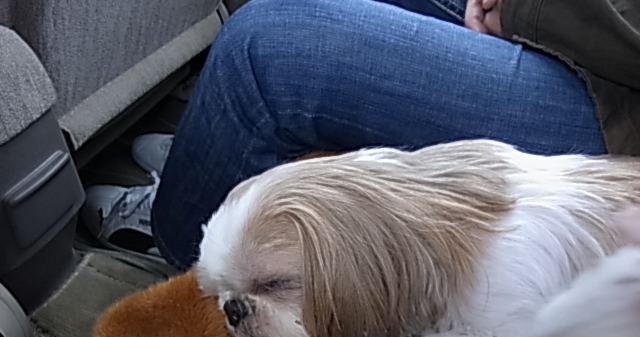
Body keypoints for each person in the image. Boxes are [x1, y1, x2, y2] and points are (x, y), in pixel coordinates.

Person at [82, 0, 640, 270]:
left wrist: (525, 11)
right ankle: (219, 157)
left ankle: (189, 249)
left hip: (620, 108)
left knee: (266, 52)